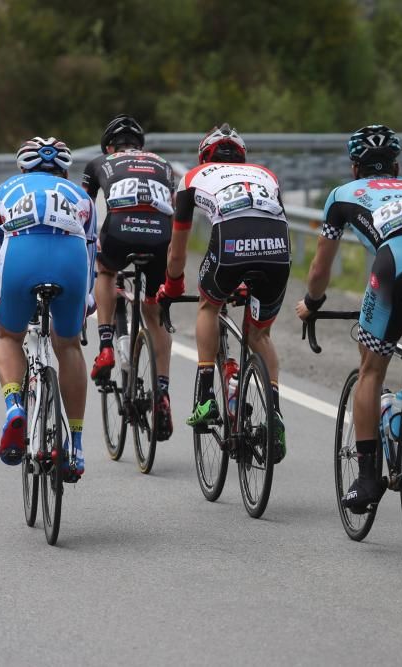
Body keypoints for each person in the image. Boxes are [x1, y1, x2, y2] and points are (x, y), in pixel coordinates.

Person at [295, 124, 402, 512]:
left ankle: (368, 478)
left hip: (395, 267)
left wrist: (312, 302)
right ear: (397, 165)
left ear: (355, 168)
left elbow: (321, 267)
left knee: (370, 367)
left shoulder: (341, 195)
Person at [156, 123, 290, 461]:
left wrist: (172, 285)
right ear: (243, 157)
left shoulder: (192, 177)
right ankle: (274, 414)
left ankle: (205, 398)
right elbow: (268, 222)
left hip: (231, 242)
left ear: (204, 156)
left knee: (209, 306)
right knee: (259, 335)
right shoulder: (267, 175)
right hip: (278, 248)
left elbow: (177, 250)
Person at [0, 136, 97, 476]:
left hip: (21, 259)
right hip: (71, 261)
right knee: (68, 344)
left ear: (23, 166)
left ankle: (14, 407)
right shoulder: (82, 196)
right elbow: (91, 254)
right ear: (64, 171)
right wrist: (87, 298)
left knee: (9, 337)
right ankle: (77, 446)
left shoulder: (6, 190)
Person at [83, 114, 176, 440]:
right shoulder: (164, 165)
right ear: (141, 146)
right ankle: (162, 392)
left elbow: (84, 210)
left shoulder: (100, 162)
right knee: (154, 312)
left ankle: (106, 345)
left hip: (120, 233)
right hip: (161, 237)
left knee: (106, 270)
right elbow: (175, 210)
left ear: (109, 146)